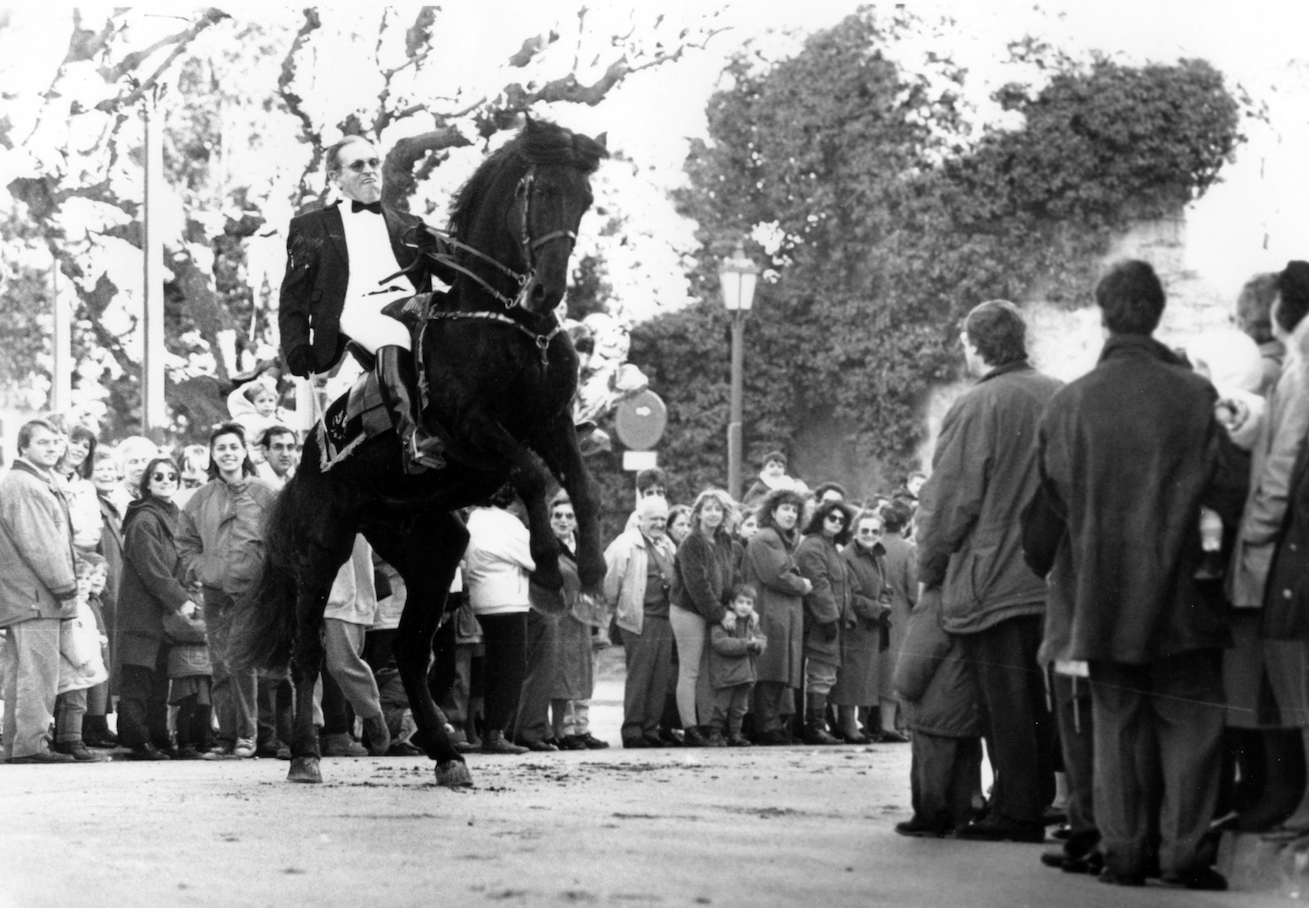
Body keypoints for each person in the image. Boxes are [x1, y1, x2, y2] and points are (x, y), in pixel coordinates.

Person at [1037, 259, 1248, 890]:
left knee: (1116, 723)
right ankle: (1183, 854)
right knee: (1190, 723)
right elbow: (1230, 488)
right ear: (1158, 314)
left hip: (1100, 592)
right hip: (1184, 588)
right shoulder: (1193, 395)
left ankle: (1123, 852)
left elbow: (1047, 505)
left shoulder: (1070, 402)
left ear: (1105, 315)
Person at [914, 299, 1062, 843]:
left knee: (1005, 700)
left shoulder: (977, 405)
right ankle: (1037, 799)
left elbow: (949, 501)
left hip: (993, 577)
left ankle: (1016, 809)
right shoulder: (1059, 394)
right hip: (1053, 577)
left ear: (976, 346)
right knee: (1044, 696)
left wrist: (930, 568)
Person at [278, 134, 447, 474]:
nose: (370, 171)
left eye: (374, 163)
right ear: (335, 178)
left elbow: (454, 274)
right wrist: (296, 346)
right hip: (357, 310)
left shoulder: (410, 225)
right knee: (391, 334)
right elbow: (293, 297)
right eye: (358, 165)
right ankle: (412, 437)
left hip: (416, 305)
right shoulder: (309, 227)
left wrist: (441, 248)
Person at [1225, 260, 1309, 833]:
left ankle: (1282, 798)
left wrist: (1254, 531)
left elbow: (1282, 464)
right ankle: (1275, 795)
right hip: (1274, 547)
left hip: (1272, 548)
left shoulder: (1294, 370)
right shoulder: (1291, 367)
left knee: (1274, 682)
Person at [178, 423, 277, 760]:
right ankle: (228, 736)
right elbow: (185, 542)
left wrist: (265, 574)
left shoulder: (266, 493)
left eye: (234, 446)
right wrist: (202, 570)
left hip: (251, 592)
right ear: (213, 454)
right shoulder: (200, 498)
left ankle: (249, 736)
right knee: (219, 665)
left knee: (244, 662)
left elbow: (282, 538)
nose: (228, 453)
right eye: (221, 448)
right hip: (216, 592)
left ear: (245, 451)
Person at [0, 418, 81, 763]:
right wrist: (66, 589)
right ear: (23, 447)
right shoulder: (27, 485)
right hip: (36, 597)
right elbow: (42, 546)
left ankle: (18, 746)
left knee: (21, 674)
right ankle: (30, 747)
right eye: (43, 442)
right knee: (38, 675)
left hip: (25, 597)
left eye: (56, 442)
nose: (53, 447)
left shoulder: (26, 482)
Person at [116, 456, 200, 761]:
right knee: (138, 680)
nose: (166, 481)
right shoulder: (144, 520)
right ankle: (136, 743)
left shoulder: (176, 515)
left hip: (162, 614)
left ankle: (158, 739)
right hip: (142, 613)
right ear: (147, 483)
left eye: (171, 476)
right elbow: (153, 570)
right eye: (158, 476)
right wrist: (181, 599)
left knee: (159, 682)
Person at [893, 585, 983, 838]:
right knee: (964, 761)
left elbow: (919, 652)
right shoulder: (972, 591)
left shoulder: (935, 600)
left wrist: (904, 687)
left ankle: (929, 818)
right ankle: (960, 816)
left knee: (932, 763)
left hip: (936, 699)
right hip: (968, 699)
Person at [463, 484, 534, 755]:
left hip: (483, 599)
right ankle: (495, 733)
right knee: (512, 669)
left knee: (493, 666)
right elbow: (532, 558)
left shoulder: (475, 519)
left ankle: (490, 732)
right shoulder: (508, 523)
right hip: (508, 599)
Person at [606, 495, 679, 749]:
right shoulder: (626, 544)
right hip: (639, 619)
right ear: (641, 519)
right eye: (653, 518)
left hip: (665, 619)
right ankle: (633, 731)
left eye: (662, 518)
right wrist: (615, 610)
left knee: (659, 678)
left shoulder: (668, 544)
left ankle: (651, 729)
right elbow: (610, 582)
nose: (658, 523)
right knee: (640, 676)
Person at [743, 487, 812, 745]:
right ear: (772, 511)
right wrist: (803, 585)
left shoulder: (781, 539)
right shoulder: (767, 538)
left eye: (795, 510)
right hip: (770, 612)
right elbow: (776, 575)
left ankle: (771, 723)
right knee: (770, 670)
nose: (791, 514)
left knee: (777, 671)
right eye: (785, 508)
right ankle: (765, 726)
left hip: (780, 613)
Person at [671, 488, 739, 747]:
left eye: (718, 509)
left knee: (709, 672)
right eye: (708, 509)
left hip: (714, 610)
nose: (713, 514)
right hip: (688, 610)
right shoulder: (691, 543)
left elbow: (731, 574)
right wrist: (720, 613)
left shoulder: (723, 540)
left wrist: (734, 602)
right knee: (691, 670)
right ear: (697, 514)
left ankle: (710, 727)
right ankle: (690, 728)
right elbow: (697, 585)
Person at [545, 492, 608, 750]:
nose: (563, 520)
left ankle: (581, 728)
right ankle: (565, 729)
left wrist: (600, 623)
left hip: (583, 618)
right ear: (549, 519)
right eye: (558, 515)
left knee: (583, 673)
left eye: (569, 516)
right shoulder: (546, 546)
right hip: (559, 618)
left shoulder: (584, 545)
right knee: (561, 675)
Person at [320, 534, 391, 757]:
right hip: (303, 586)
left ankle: (370, 711)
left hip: (345, 592)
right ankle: (308, 734)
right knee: (303, 668)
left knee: (341, 664)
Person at [796, 498, 855, 746]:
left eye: (842, 520)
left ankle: (819, 725)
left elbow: (845, 587)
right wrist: (830, 617)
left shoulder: (831, 547)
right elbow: (818, 584)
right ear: (820, 518)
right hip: (819, 622)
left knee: (826, 674)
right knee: (820, 673)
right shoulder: (813, 547)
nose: (837, 523)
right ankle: (814, 727)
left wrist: (846, 617)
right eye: (832, 518)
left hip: (833, 621)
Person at [833, 510, 892, 744]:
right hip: (855, 623)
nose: (869, 535)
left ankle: (859, 725)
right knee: (850, 677)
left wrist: (886, 602)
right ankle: (848, 725)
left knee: (865, 677)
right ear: (855, 532)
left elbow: (886, 587)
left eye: (875, 531)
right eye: (865, 530)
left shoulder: (880, 557)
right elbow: (853, 596)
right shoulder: (847, 556)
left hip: (873, 624)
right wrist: (879, 608)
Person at [707, 584, 766, 747]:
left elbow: (761, 638)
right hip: (726, 674)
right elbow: (720, 643)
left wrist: (758, 644)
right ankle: (715, 734)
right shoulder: (724, 621)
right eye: (741, 602)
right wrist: (746, 644)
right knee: (721, 707)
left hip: (745, 675)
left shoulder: (751, 622)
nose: (745, 607)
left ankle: (735, 735)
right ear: (732, 603)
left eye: (749, 603)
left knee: (740, 708)